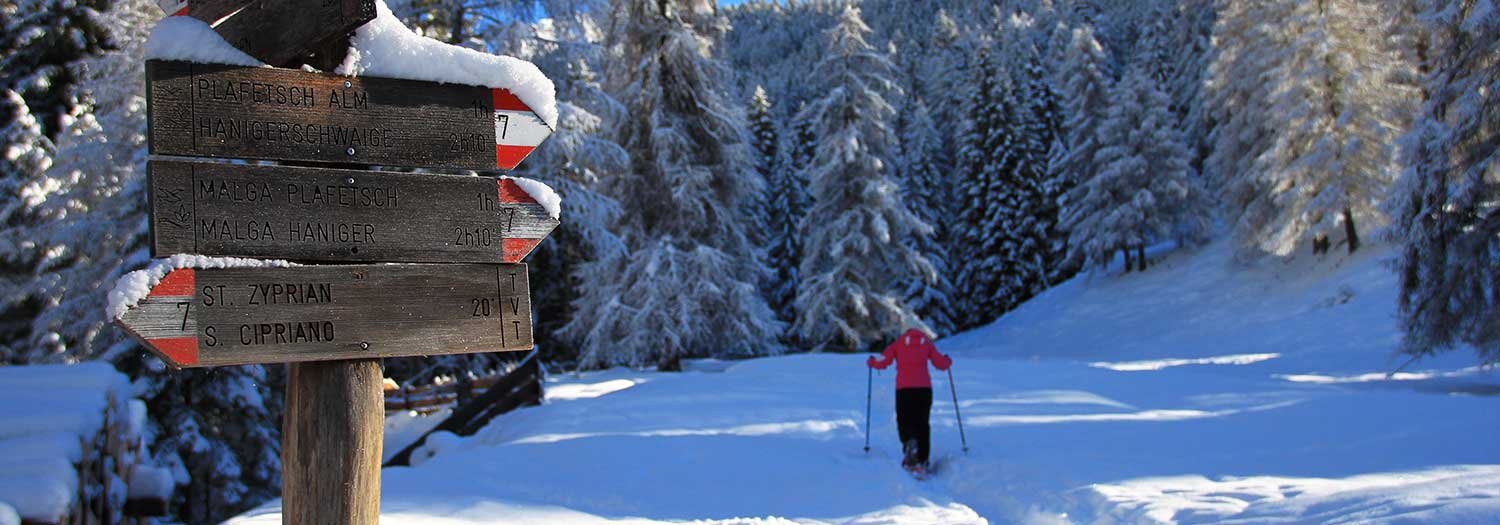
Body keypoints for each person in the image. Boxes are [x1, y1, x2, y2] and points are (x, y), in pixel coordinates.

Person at [867, 328, 952, 473]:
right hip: (924, 390)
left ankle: (910, 443)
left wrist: (872, 362)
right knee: (922, 423)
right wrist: (947, 360)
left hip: (904, 389)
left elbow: (883, 361)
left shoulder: (899, 343)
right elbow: (941, 364)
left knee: (904, 420)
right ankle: (922, 460)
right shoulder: (926, 344)